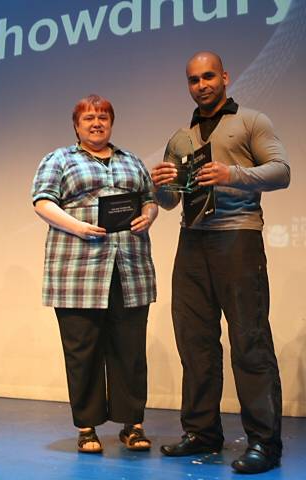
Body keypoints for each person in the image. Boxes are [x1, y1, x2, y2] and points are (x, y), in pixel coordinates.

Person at [151, 51, 290, 474]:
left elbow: (281, 171)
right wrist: (160, 188)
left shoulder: (251, 121)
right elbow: (171, 202)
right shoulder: (180, 137)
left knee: (249, 341)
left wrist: (233, 176)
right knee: (195, 342)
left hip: (238, 240)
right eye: (194, 79)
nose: (202, 84)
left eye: (209, 76)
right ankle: (202, 432)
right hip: (191, 243)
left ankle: (265, 442)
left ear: (225, 77)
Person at [32, 94, 158, 453]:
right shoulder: (59, 159)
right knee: (82, 350)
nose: (96, 122)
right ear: (76, 124)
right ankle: (87, 427)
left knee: (130, 350)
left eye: (103, 116)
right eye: (88, 118)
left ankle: (132, 424)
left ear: (112, 122)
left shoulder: (132, 160)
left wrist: (148, 215)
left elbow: (149, 199)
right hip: (78, 269)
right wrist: (78, 227)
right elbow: (42, 201)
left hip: (129, 268)